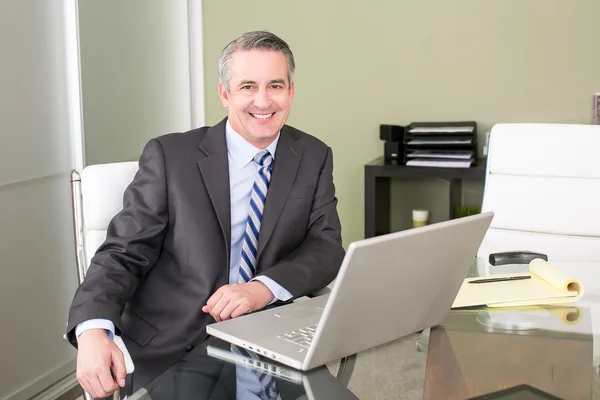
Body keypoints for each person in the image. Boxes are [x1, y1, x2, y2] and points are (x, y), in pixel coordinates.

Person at [66, 30, 345, 398]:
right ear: (224, 93)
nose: (263, 100)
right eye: (247, 86)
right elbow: (123, 253)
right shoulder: (171, 156)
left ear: (291, 91)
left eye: (275, 86)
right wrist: (92, 330)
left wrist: (261, 289)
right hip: (177, 345)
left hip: (268, 338)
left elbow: (326, 246)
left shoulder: (313, 155)